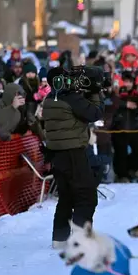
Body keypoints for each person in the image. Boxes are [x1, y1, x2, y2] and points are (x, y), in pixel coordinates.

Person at [42, 67, 104, 249]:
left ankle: (60, 239)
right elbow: (95, 113)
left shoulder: (49, 99)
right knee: (86, 196)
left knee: (66, 197)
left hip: (57, 154)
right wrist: (94, 91)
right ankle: (81, 239)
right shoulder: (71, 98)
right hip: (73, 153)